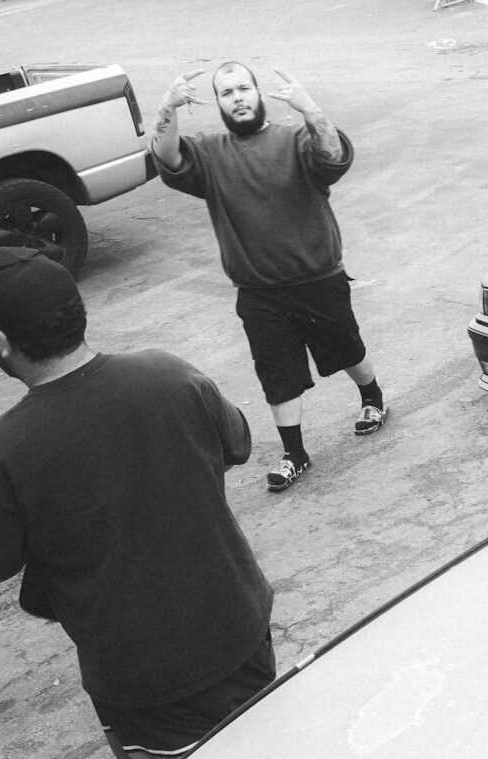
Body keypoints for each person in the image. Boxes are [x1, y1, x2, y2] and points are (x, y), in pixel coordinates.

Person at [0, 246, 276, 759]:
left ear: (1, 342)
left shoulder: (1, 451)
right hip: (240, 630)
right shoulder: (169, 375)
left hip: (145, 682)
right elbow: (237, 441)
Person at [152, 60, 386, 492]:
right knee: (276, 373)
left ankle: (372, 398)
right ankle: (295, 454)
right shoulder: (208, 153)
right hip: (259, 292)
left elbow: (334, 158)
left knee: (346, 350)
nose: (237, 97)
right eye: (227, 92)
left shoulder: (296, 139)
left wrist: (311, 110)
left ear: (259, 94)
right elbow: (166, 156)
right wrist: (169, 106)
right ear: (218, 104)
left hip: (317, 278)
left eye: (244, 88)